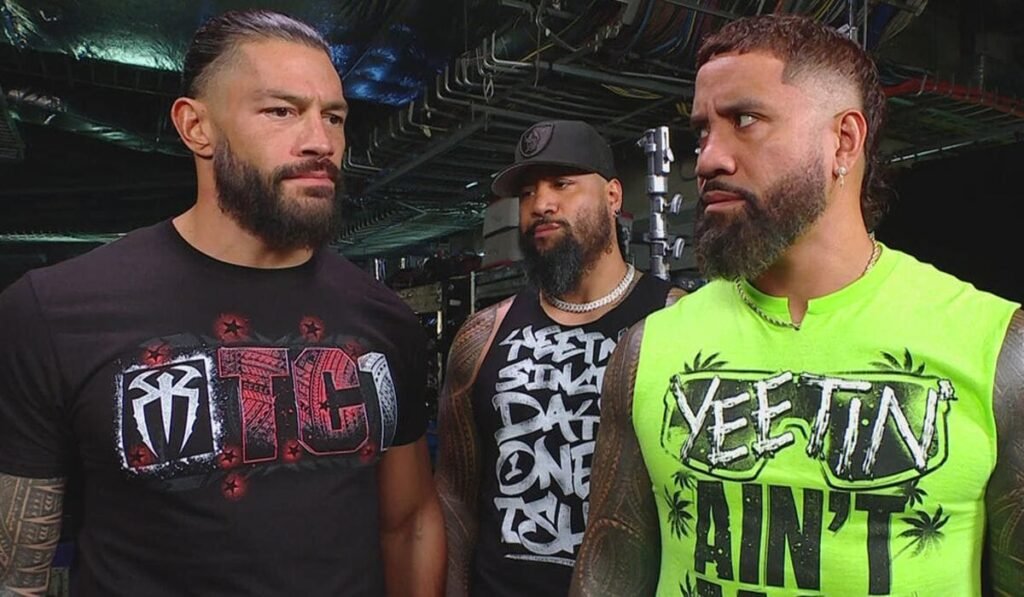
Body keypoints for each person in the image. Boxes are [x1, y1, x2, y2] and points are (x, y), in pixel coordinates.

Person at [572, 14, 1024, 597]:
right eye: (703, 130)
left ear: (844, 141)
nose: (707, 159)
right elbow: (609, 569)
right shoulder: (645, 351)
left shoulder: (997, 349)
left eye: (745, 120)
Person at [0, 9, 445, 596]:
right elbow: (16, 571)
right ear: (196, 127)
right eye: (281, 111)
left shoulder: (384, 318)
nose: (320, 141)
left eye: (334, 116)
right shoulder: (53, 311)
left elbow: (409, 522)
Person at [436, 119, 682, 597]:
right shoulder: (482, 335)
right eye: (528, 192)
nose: (541, 204)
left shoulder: (674, 320)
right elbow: (454, 499)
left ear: (613, 196)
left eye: (562, 184)